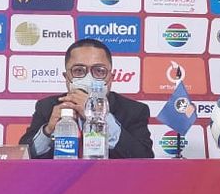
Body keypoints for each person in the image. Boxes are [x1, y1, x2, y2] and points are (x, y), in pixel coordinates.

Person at [20, 38, 154, 159]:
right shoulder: (47, 107)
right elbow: (22, 156)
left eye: (99, 71)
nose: (88, 78)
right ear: (66, 77)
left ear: (110, 78)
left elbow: (144, 157)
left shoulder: (133, 110)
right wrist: (48, 131)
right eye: (79, 70)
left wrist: (100, 117)